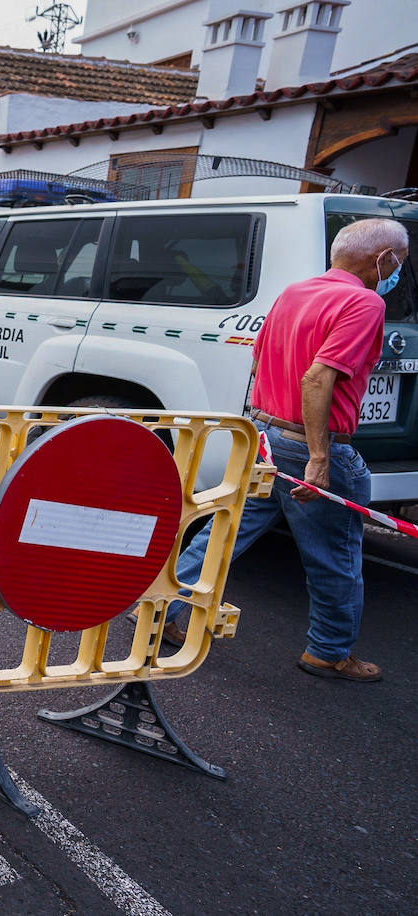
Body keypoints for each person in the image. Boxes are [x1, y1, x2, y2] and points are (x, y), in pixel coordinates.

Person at [160, 217, 407, 681]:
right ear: (384, 259)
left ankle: (166, 612)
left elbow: (257, 359)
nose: (397, 272)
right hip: (310, 446)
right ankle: (329, 651)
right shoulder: (365, 301)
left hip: (264, 437)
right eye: (400, 263)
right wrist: (319, 459)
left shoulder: (294, 292)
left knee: (224, 530)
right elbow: (318, 377)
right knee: (336, 555)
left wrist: (254, 430)